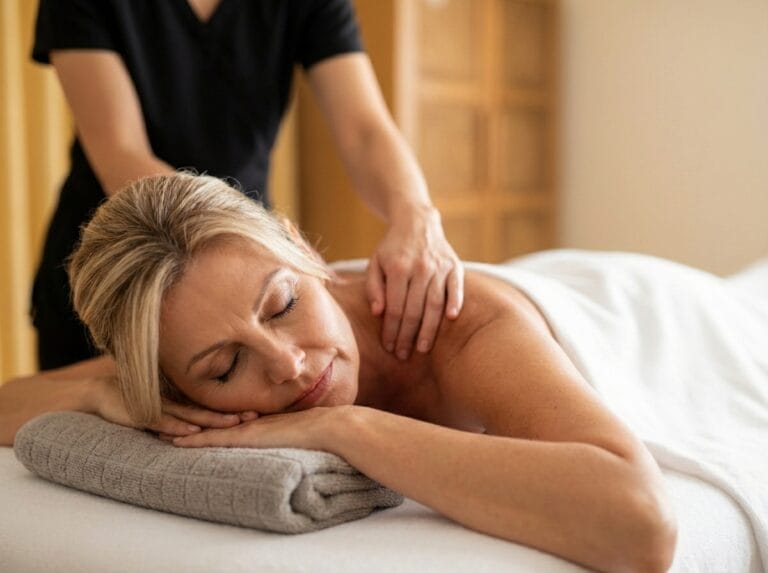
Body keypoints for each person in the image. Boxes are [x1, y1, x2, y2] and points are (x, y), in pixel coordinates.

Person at [3, 174, 768, 572]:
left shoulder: (457, 329)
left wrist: (348, 425)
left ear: (303, 249)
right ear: (180, 386)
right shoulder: (189, 321)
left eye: (282, 305)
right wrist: (106, 392)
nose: (289, 364)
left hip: (666, 313)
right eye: (227, 366)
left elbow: (641, 527)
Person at [30, 0, 463, 370]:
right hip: (125, 272)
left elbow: (364, 130)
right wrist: (256, 237)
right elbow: (121, 154)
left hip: (249, 261)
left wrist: (416, 214)